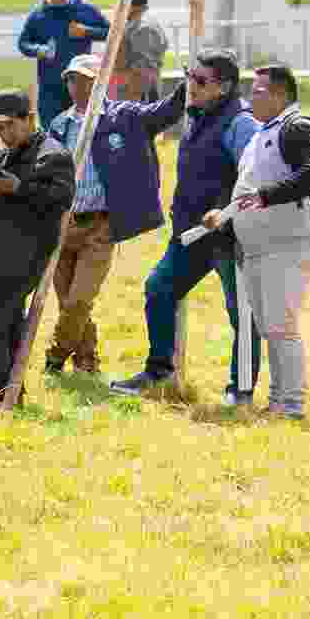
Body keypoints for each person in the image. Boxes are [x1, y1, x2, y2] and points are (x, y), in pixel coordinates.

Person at [110, 50, 262, 403]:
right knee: (159, 288)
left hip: (231, 236)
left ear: (224, 87)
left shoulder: (241, 123)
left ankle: (240, 391)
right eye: (188, 76)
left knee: (241, 315)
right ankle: (159, 373)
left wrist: (225, 211)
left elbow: (254, 177)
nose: (191, 86)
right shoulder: (195, 114)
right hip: (191, 233)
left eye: (201, 81)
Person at [206, 65, 310, 419]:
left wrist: (265, 197)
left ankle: (291, 405)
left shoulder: (298, 127)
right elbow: (247, 192)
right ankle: (277, 402)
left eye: (257, 91)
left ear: (280, 95)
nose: (249, 98)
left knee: (281, 326)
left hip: (288, 245)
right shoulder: (260, 135)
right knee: (269, 327)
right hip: (257, 248)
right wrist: (224, 214)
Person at [41, 54, 171, 377]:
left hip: (100, 226)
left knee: (79, 300)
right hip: (64, 223)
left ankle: (55, 356)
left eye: (85, 79)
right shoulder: (59, 125)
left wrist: (185, 89)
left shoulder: (121, 116)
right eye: (72, 79)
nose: (78, 86)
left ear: (101, 81)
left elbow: (162, 113)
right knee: (67, 300)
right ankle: (87, 361)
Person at [0, 89, 76, 412]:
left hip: (25, 256)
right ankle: (8, 395)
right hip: (0, 255)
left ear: (30, 119)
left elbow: (60, 198)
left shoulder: (52, 155)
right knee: (7, 325)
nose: (4, 133)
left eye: (10, 125)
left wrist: (16, 187)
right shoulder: (4, 154)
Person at [17, 0, 111, 126]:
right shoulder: (38, 15)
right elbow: (23, 43)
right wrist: (39, 49)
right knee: (50, 126)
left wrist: (86, 31)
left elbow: (110, 31)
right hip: (50, 85)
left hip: (79, 82)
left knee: (82, 125)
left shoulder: (84, 9)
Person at [119, 0, 170, 103]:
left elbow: (142, 71)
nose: (119, 6)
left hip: (139, 96)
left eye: (122, 2)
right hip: (136, 93)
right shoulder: (137, 23)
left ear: (133, 5)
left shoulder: (143, 28)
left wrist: (132, 103)